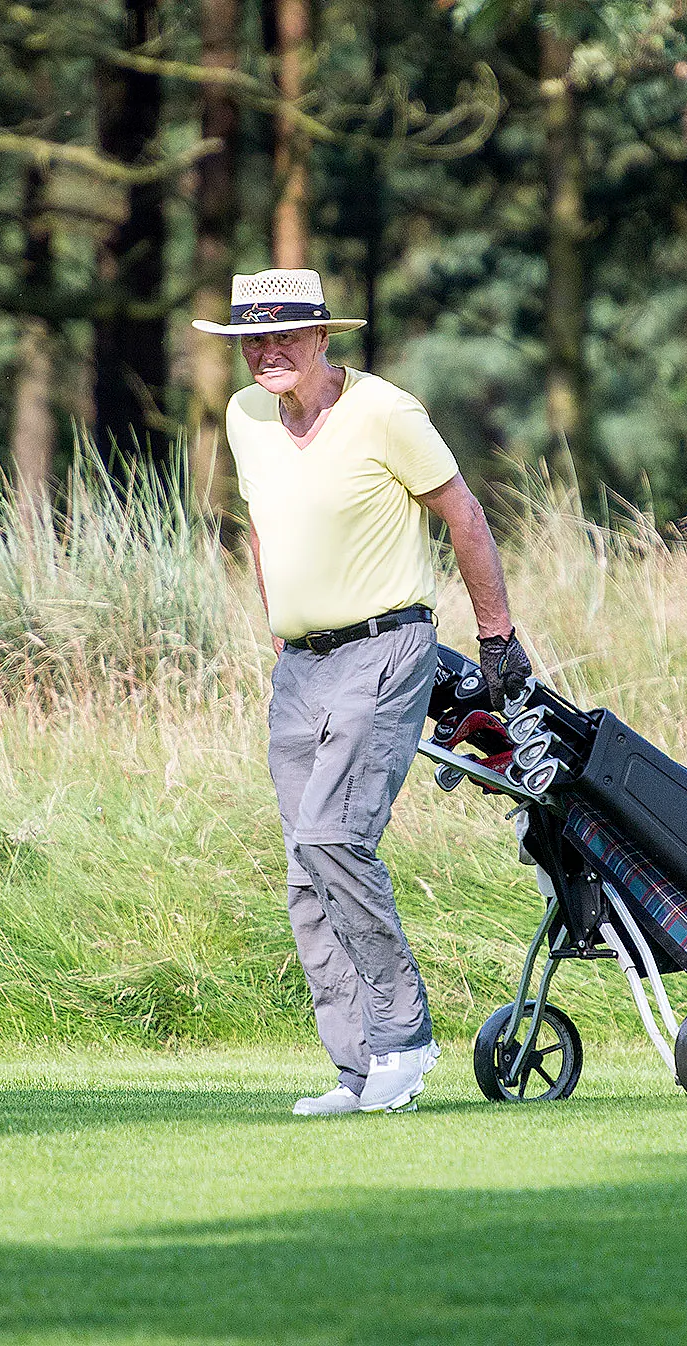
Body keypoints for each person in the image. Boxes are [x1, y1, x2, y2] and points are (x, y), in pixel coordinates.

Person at [194, 270, 533, 1115]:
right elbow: (264, 526)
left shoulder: (385, 411)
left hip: (385, 648)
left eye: (284, 336)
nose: (267, 353)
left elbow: (463, 512)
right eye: (252, 340)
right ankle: (357, 1069)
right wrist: (280, 626)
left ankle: (403, 1042)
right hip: (300, 666)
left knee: (333, 837)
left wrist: (496, 635)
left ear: (322, 338)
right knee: (304, 869)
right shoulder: (244, 415)